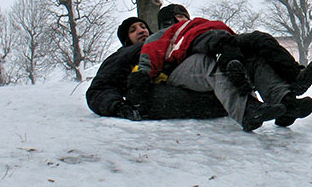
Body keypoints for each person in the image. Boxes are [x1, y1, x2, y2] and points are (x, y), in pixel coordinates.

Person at [127, 4, 312, 131]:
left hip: (217, 53)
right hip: (177, 71)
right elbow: (149, 57)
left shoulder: (202, 25)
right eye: (176, 17)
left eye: (182, 16)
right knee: (207, 63)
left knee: (253, 60)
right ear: (167, 22)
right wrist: (141, 79)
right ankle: (247, 111)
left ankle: (286, 102)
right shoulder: (162, 35)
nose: (181, 20)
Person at [86, 16, 228, 121]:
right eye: (133, 30)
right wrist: (117, 107)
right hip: (156, 95)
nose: (141, 30)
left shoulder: (167, 46)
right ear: (126, 39)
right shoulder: (123, 55)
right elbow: (99, 89)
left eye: (143, 26)